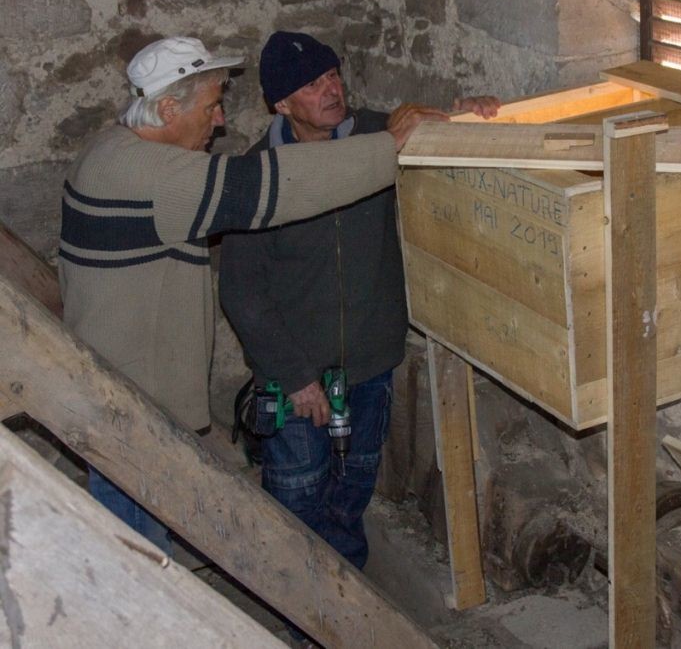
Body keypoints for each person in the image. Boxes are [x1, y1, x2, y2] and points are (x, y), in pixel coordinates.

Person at [58, 35, 448, 555]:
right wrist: (387, 146)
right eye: (211, 105)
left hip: (119, 391)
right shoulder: (158, 178)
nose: (219, 120)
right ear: (168, 107)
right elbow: (272, 190)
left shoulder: (108, 149)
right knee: (139, 553)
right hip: (129, 407)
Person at [218, 31, 499, 570]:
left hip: (369, 367)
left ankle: (349, 607)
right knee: (297, 503)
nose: (330, 90)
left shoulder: (379, 134)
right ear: (281, 104)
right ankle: (297, 614)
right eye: (311, 85)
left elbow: (444, 141)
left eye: (332, 76)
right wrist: (296, 376)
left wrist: (467, 116)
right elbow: (241, 292)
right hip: (297, 376)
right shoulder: (257, 176)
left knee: (351, 495)